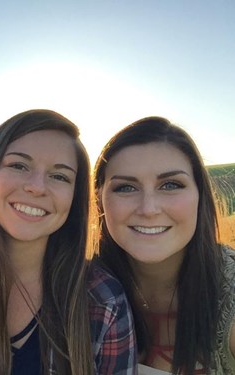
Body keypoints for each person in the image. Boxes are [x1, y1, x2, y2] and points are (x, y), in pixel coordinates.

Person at [0, 109, 137, 374]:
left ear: (74, 197)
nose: (37, 187)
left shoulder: (102, 298)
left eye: (59, 176)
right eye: (18, 165)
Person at [93, 116, 235, 374]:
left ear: (200, 196)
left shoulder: (230, 297)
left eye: (170, 185)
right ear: (100, 201)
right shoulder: (78, 291)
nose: (149, 209)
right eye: (125, 187)